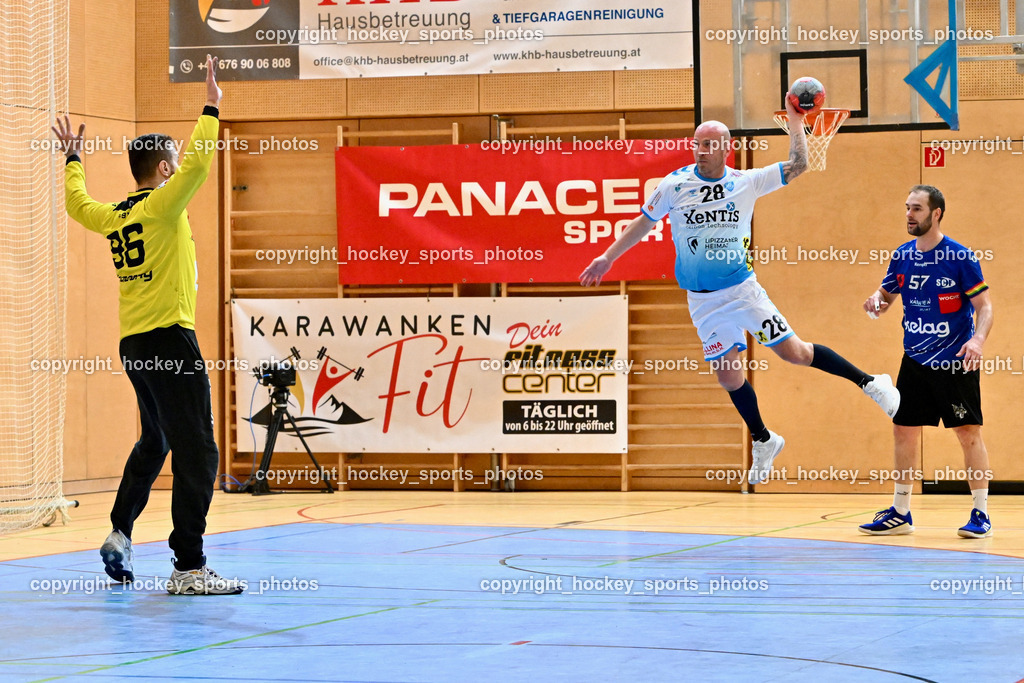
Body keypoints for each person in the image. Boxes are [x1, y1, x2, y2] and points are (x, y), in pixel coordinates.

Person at [579, 97, 900, 485]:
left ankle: (871, 382)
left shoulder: (745, 183)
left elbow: (799, 165)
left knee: (794, 353)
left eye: (710, 144)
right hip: (702, 302)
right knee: (729, 378)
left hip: (742, 293)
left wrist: (797, 121)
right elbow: (643, 222)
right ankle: (765, 440)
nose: (701, 150)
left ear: (726, 148)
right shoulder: (675, 184)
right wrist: (607, 257)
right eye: (697, 143)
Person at [53, 55, 242, 594]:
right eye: (173, 161)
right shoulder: (162, 205)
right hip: (170, 339)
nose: (178, 166)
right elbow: (200, 166)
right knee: (199, 450)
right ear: (162, 171)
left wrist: (72, 158)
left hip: (134, 343)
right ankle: (188, 568)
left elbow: (78, 204)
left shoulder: (116, 216)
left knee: (157, 439)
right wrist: (210, 107)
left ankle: (119, 532)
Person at [859, 185, 994, 538]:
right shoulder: (903, 255)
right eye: (906, 208)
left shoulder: (960, 257)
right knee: (903, 430)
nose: (908, 214)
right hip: (915, 360)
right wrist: (876, 300)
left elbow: (985, 308)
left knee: (968, 434)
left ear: (936, 214)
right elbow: (887, 294)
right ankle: (900, 512)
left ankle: (980, 514)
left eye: (916, 209)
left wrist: (977, 340)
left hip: (954, 361)